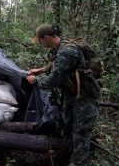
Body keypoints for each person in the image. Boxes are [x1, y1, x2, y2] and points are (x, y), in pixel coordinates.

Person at [26, 23, 99, 166]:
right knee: (68, 124)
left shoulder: (67, 51)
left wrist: (36, 81)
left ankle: (77, 162)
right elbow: (58, 66)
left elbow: (54, 79)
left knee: (81, 132)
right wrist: (41, 70)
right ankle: (68, 152)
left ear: (46, 37)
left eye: (40, 40)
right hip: (72, 95)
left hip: (85, 97)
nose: (40, 43)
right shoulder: (59, 49)